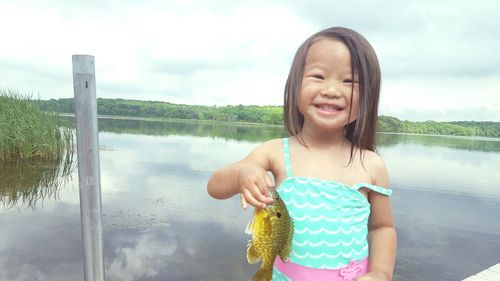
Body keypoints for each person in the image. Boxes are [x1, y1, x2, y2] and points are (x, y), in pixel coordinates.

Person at [207, 26, 396, 281]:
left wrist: (381, 273)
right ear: (295, 86)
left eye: (349, 81)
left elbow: (382, 227)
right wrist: (243, 173)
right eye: (318, 76)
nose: (331, 89)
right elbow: (215, 186)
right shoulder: (274, 151)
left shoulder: (371, 164)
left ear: (368, 97)